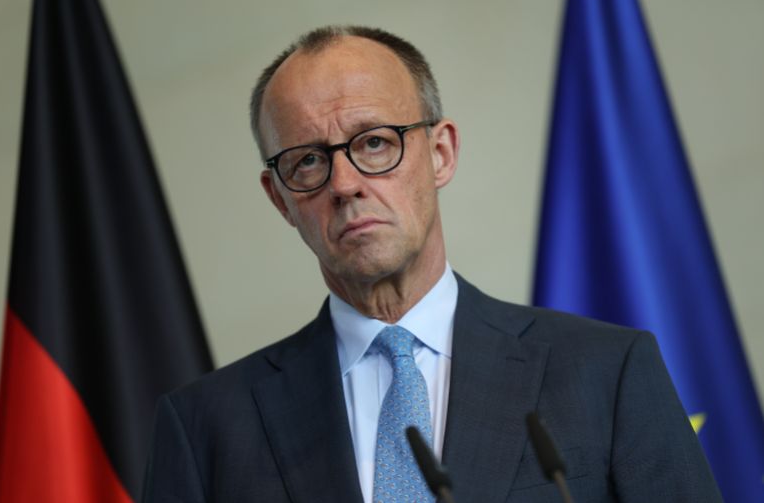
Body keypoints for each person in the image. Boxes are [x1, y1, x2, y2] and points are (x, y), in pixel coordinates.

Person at [143, 26, 721, 502]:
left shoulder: (606, 372)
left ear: (440, 154)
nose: (345, 184)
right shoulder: (205, 429)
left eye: (374, 142)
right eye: (308, 161)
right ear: (280, 199)